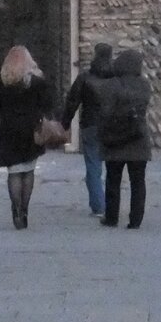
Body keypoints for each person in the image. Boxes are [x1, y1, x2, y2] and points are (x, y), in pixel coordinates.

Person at [0, 45, 57, 230]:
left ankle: (15, 210)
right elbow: (48, 103)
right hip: (31, 130)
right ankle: (24, 210)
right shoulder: (36, 82)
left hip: (9, 130)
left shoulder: (2, 82)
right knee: (28, 170)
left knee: (14, 172)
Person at [92, 48, 152, 229]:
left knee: (113, 180)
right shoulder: (144, 85)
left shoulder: (110, 85)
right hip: (138, 137)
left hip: (115, 138)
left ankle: (111, 217)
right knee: (138, 182)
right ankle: (136, 219)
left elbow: (104, 111)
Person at [61, 42, 113, 217]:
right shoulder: (116, 79)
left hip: (91, 124)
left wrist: (65, 123)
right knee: (113, 167)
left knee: (93, 166)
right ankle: (111, 204)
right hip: (112, 126)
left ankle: (98, 206)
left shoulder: (85, 78)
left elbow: (72, 101)